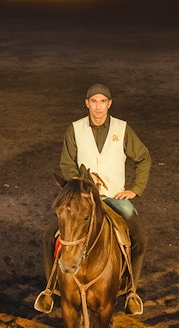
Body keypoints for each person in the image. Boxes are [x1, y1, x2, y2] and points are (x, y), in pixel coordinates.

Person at [36, 83, 151, 315]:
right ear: (87, 104)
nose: (98, 107)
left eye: (103, 102)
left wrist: (135, 189)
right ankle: (50, 290)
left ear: (109, 104)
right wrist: (78, 185)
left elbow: (143, 157)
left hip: (113, 197)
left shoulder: (122, 129)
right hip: (83, 198)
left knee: (139, 238)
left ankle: (131, 291)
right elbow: (67, 162)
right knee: (50, 236)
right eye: (94, 102)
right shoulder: (75, 129)